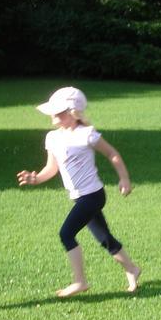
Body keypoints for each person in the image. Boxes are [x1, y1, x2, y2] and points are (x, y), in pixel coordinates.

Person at [17, 86, 141, 297]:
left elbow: (112, 154)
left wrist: (124, 178)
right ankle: (132, 269)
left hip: (93, 195)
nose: (54, 115)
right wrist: (35, 178)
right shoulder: (52, 138)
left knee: (66, 233)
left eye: (59, 111)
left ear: (72, 112)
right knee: (104, 238)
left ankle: (80, 282)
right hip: (79, 197)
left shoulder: (87, 134)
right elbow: (51, 169)